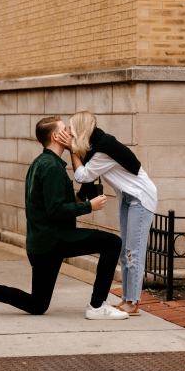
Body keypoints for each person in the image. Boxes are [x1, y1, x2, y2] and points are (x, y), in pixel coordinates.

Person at [0, 116, 128, 320]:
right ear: (56, 136)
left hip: (41, 244)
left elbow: (48, 203)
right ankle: (97, 306)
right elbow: (55, 211)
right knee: (112, 243)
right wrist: (89, 206)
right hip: (55, 240)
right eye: (65, 129)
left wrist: (76, 199)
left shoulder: (41, 163)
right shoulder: (52, 167)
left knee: (38, 304)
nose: (70, 132)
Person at [58, 111, 157, 317]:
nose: (67, 131)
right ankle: (127, 299)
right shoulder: (97, 146)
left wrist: (72, 150)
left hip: (140, 198)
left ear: (80, 129)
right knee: (125, 251)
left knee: (134, 252)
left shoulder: (104, 148)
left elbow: (83, 174)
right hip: (129, 199)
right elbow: (87, 176)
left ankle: (133, 302)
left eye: (70, 127)